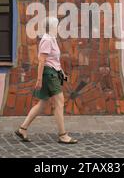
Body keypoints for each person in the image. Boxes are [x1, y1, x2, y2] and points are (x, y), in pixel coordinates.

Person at [15, 16, 78, 144]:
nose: (59, 27)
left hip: (53, 73)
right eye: (57, 25)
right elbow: (42, 61)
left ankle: (23, 128)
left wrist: (62, 74)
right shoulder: (47, 40)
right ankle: (62, 135)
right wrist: (39, 79)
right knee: (59, 103)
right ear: (52, 27)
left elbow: (54, 61)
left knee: (42, 104)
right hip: (49, 75)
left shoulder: (52, 39)